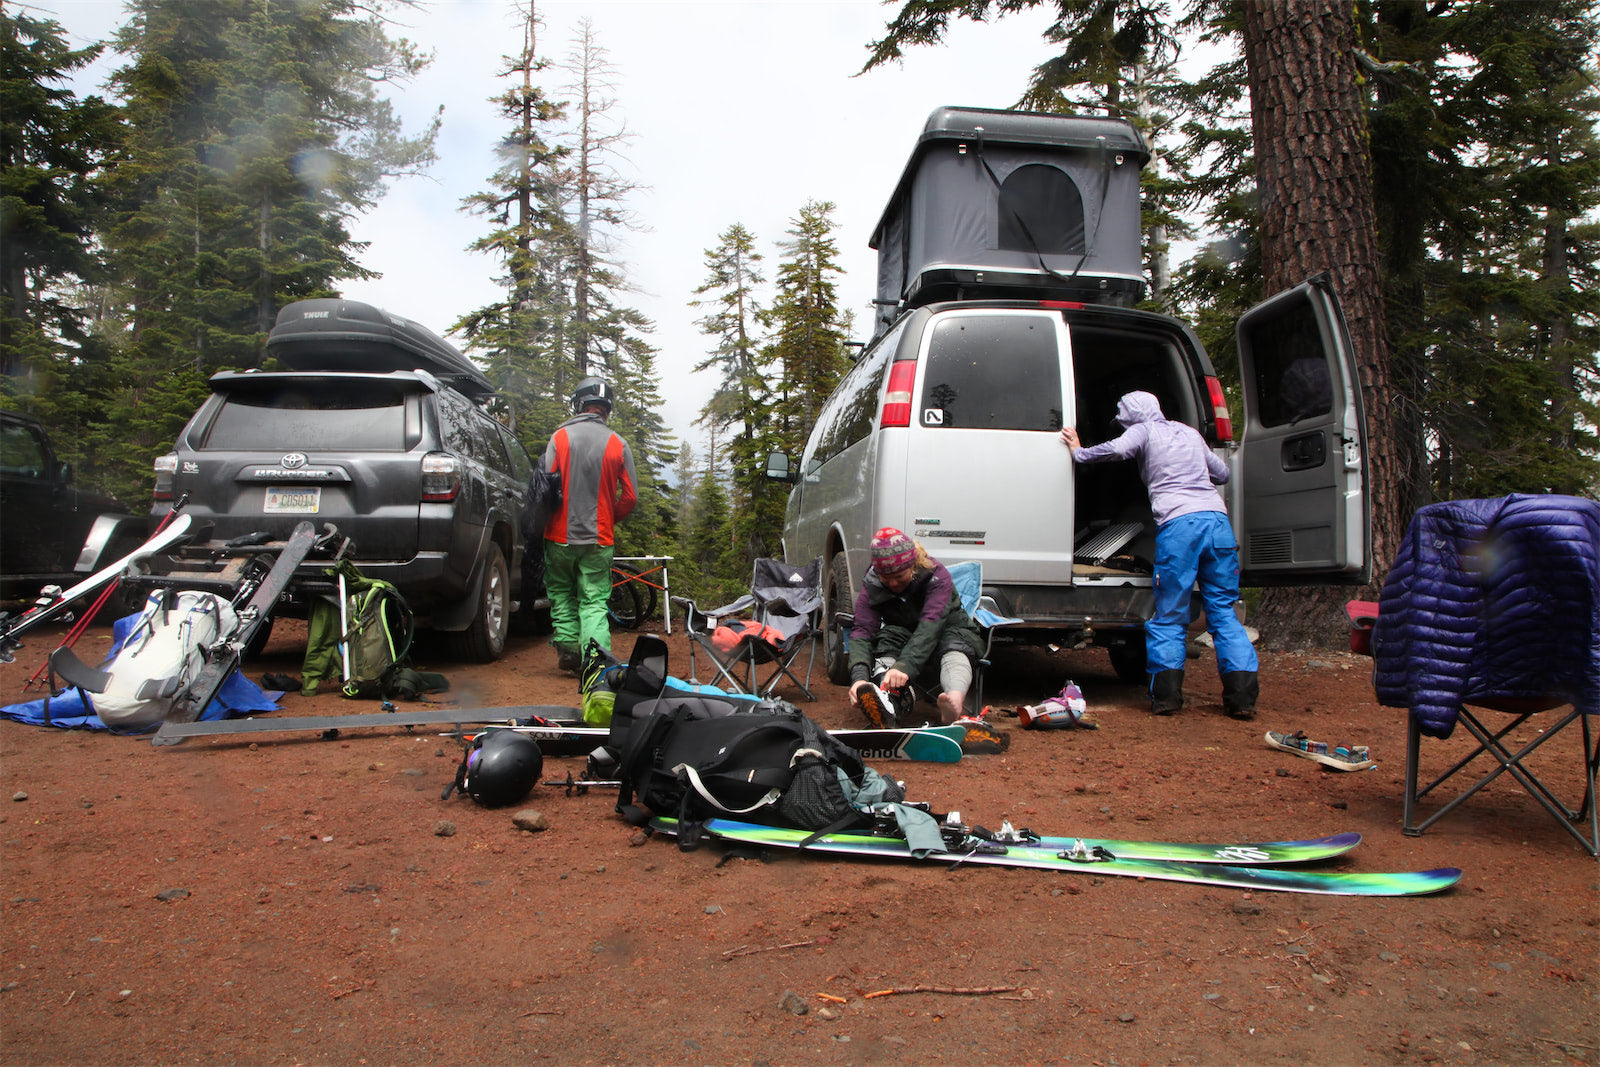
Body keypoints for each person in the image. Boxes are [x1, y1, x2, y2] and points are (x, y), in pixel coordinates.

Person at [1061, 390, 1258, 718]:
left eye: (1122, 419)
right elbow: (1221, 474)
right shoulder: (1190, 432)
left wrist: (1078, 451)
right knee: (1223, 609)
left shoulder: (1142, 431)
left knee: (1170, 614)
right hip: (1217, 523)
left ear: (1131, 416)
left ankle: (1167, 698)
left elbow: (1115, 450)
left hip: (1180, 525)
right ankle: (1242, 700)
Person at [537, 376, 637, 674]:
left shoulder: (559, 438)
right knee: (593, 600)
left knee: (561, 592)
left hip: (558, 536)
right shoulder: (619, 444)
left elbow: (546, 487)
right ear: (606, 409)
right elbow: (630, 497)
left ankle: (568, 648)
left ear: (579, 404)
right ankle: (595, 659)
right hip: (599, 539)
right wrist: (608, 517)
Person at [847, 528, 984, 725]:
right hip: (903, 632)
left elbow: (931, 625)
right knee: (887, 640)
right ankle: (887, 705)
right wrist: (859, 678)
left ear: (913, 565)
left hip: (949, 627)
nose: (893, 583)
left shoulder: (937, 576)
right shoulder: (872, 583)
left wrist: (904, 667)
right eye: (886, 578)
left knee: (954, 646)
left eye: (900, 577)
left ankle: (954, 699)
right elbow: (862, 629)